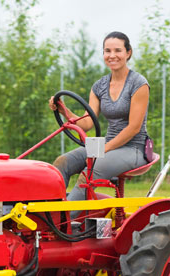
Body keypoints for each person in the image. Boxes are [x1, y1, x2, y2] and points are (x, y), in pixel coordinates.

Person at [49, 31, 150, 202]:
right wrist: (64, 111)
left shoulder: (139, 84)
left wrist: (105, 148)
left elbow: (133, 128)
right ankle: (49, 212)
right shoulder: (100, 86)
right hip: (107, 146)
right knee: (62, 162)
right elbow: (87, 123)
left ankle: (66, 224)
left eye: (117, 50)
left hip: (133, 148)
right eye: (107, 51)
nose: (112, 55)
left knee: (89, 173)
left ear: (128, 52)